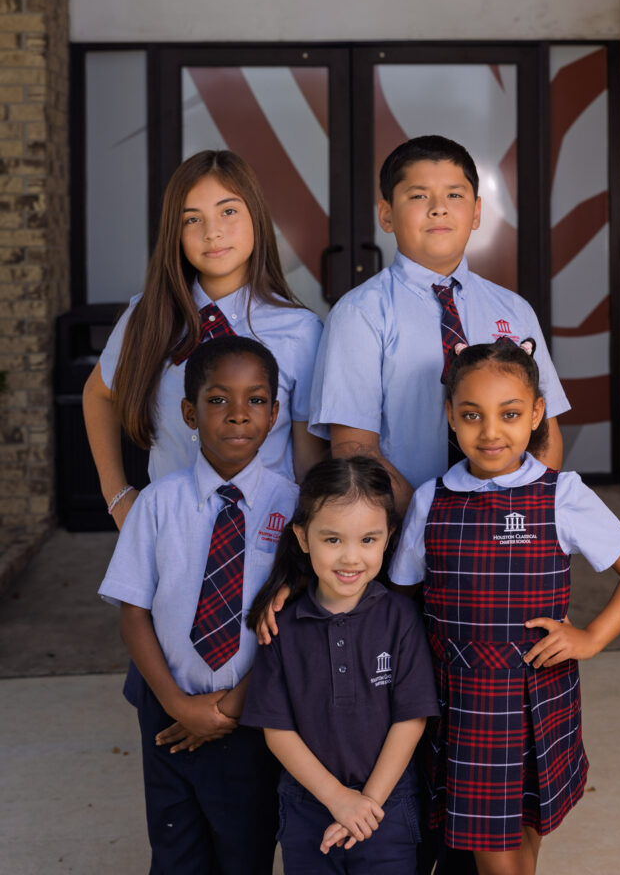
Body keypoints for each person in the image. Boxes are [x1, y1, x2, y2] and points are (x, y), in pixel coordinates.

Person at [388, 337, 620, 875]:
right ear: (450, 416)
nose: (491, 432)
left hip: (540, 696)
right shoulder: (430, 500)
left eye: (509, 414)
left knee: (527, 838)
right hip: (464, 706)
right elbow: (399, 598)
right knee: (494, 855)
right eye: (472, 415)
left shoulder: (562, 495)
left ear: (536, 414)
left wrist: (591, 637)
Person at [98, 336, 300, 875]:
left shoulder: (294, 508)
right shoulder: (156, 504)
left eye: (256, 400)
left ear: (275, 412)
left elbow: (297, 623)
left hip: (253, 716)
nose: (238, 414)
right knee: (175, 854)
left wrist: (231, 706)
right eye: (218, 399)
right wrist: (178, 705)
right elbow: (133, 612)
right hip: (168, 712)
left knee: (245, 853)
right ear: (189, 412)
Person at [308, 135, 569, 516]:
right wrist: (434, 524)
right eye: (418, 196)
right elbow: (355, 448)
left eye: (454, 195)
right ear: (386, 214)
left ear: (476, 212)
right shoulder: (359, 314)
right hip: (405, 528)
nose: (438, 209)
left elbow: (545, 433)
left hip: (509, 525)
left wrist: (521, 516)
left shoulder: (515, 310)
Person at [84, 148, 326, 532]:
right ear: (175, 234)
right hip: (168, 533)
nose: (212, 232)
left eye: (228, 211)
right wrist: (118, 497)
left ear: (256, 217)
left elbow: (307, 462)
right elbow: (97, 393)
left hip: (265, 538)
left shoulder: (300, 330)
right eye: (192, 219)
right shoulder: (149, 316)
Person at [241, 457, 440, 874]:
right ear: (303, 537)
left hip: (387, 808)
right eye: (333, 540)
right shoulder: (280, 626)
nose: (351, 558)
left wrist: (365, 804)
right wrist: (337, 798)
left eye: (368, 539)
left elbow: (411, 720)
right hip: (307, 808)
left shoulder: (401, 619)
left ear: (389, 537)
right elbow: (277, 730)